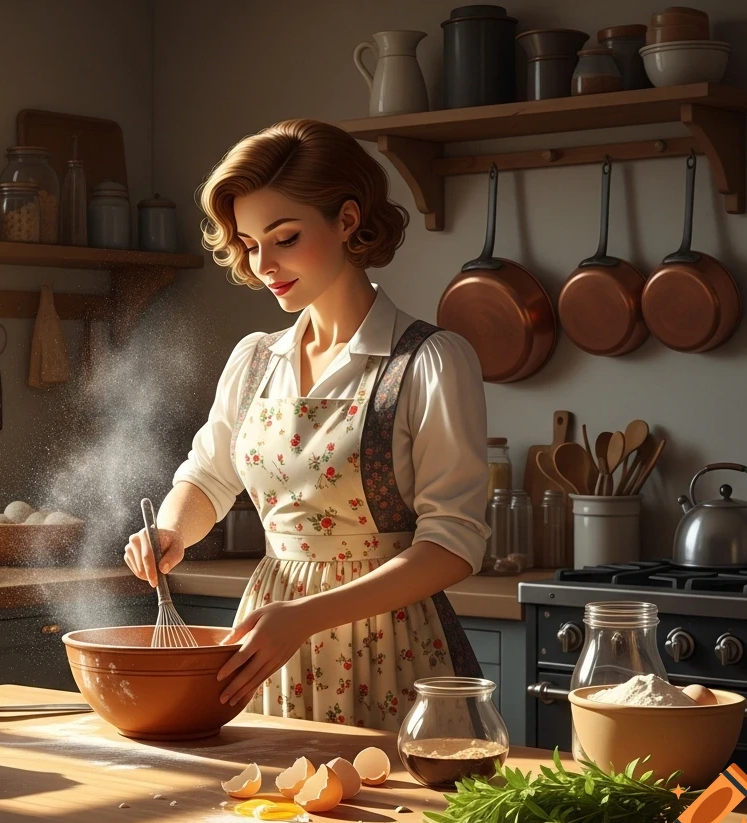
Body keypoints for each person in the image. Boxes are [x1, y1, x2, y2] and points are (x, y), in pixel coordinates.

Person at [124, 118, 491, 731]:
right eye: (248, 243)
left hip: (388, 647)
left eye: (285, 237)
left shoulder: (428, 361)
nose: (262, 264)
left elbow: (453, 545)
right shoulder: (255, 361)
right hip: (270, 641)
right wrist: (171, 531)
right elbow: (210, 476)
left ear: (348, 221)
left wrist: (309, 615)